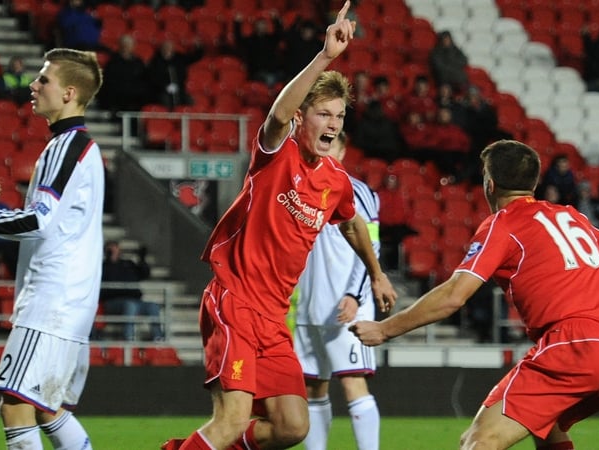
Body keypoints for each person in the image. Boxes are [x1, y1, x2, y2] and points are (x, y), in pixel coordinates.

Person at [161, 4, 397, 449]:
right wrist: (325, 58)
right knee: (230, 421)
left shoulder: (336, 183)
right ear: (301, 118)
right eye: (324, 114)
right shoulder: (276, 153)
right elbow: (275, 112)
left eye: (339, 117)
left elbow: (354, 225)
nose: (332, 124)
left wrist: (377, 272)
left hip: (273, 318)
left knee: (293, 427)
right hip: (234, 300)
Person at [351, 139, 599, 450]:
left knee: (479, 441)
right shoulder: (571, 216)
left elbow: (454, 296)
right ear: (534, 182)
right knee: (547, 428)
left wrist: (385, 329)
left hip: (573, 347)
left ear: (490, 184)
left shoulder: (503, 225)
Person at [0, 48, 104, 449]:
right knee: (46, 408)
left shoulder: (67, 147)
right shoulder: (76, 147)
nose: (33, 86)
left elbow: (38, 220)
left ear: (69, 93)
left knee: (16, 404)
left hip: (53, 300)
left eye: (43, 79)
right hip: (68, 298)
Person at [294, 131, 382, 450]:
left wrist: (355, 295)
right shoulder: (300, 188)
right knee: (314, 387)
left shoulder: (359, 192)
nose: (326, 150)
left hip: (346, 307)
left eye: (333, 145)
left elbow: (370, 246)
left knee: (352, 383)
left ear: (344, 151)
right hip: (309, 308)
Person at [100, 240, 163, 342]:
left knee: (153, 306)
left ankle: (158, 337)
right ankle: (129, 337)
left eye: (115, 248)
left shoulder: (128, 264)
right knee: (130, 305)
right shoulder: (103, 266)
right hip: (113, 302)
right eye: (110, 249)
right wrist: (110, 261)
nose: (114, 251)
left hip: (134, 300)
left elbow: (144, 274)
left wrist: (142, 259)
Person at [99, 34, 148, 118]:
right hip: (118, 96)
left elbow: (143, 78)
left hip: (134, 97)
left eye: (129, 45)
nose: (126, 47)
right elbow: (109, 80)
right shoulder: (113, 61)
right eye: (124, 45)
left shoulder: (138, 62)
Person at [146, 39, 204, 110]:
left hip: (179, 89)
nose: (168, 50)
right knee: (165, 102)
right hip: (162, 91)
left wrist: (199, 48)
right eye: (166, 47)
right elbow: (153, 77)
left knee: (190, 101)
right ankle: (168, 120)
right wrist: (165, 86)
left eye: (170, 47)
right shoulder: (156, 61)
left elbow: (193, 58)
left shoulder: (178, 58)